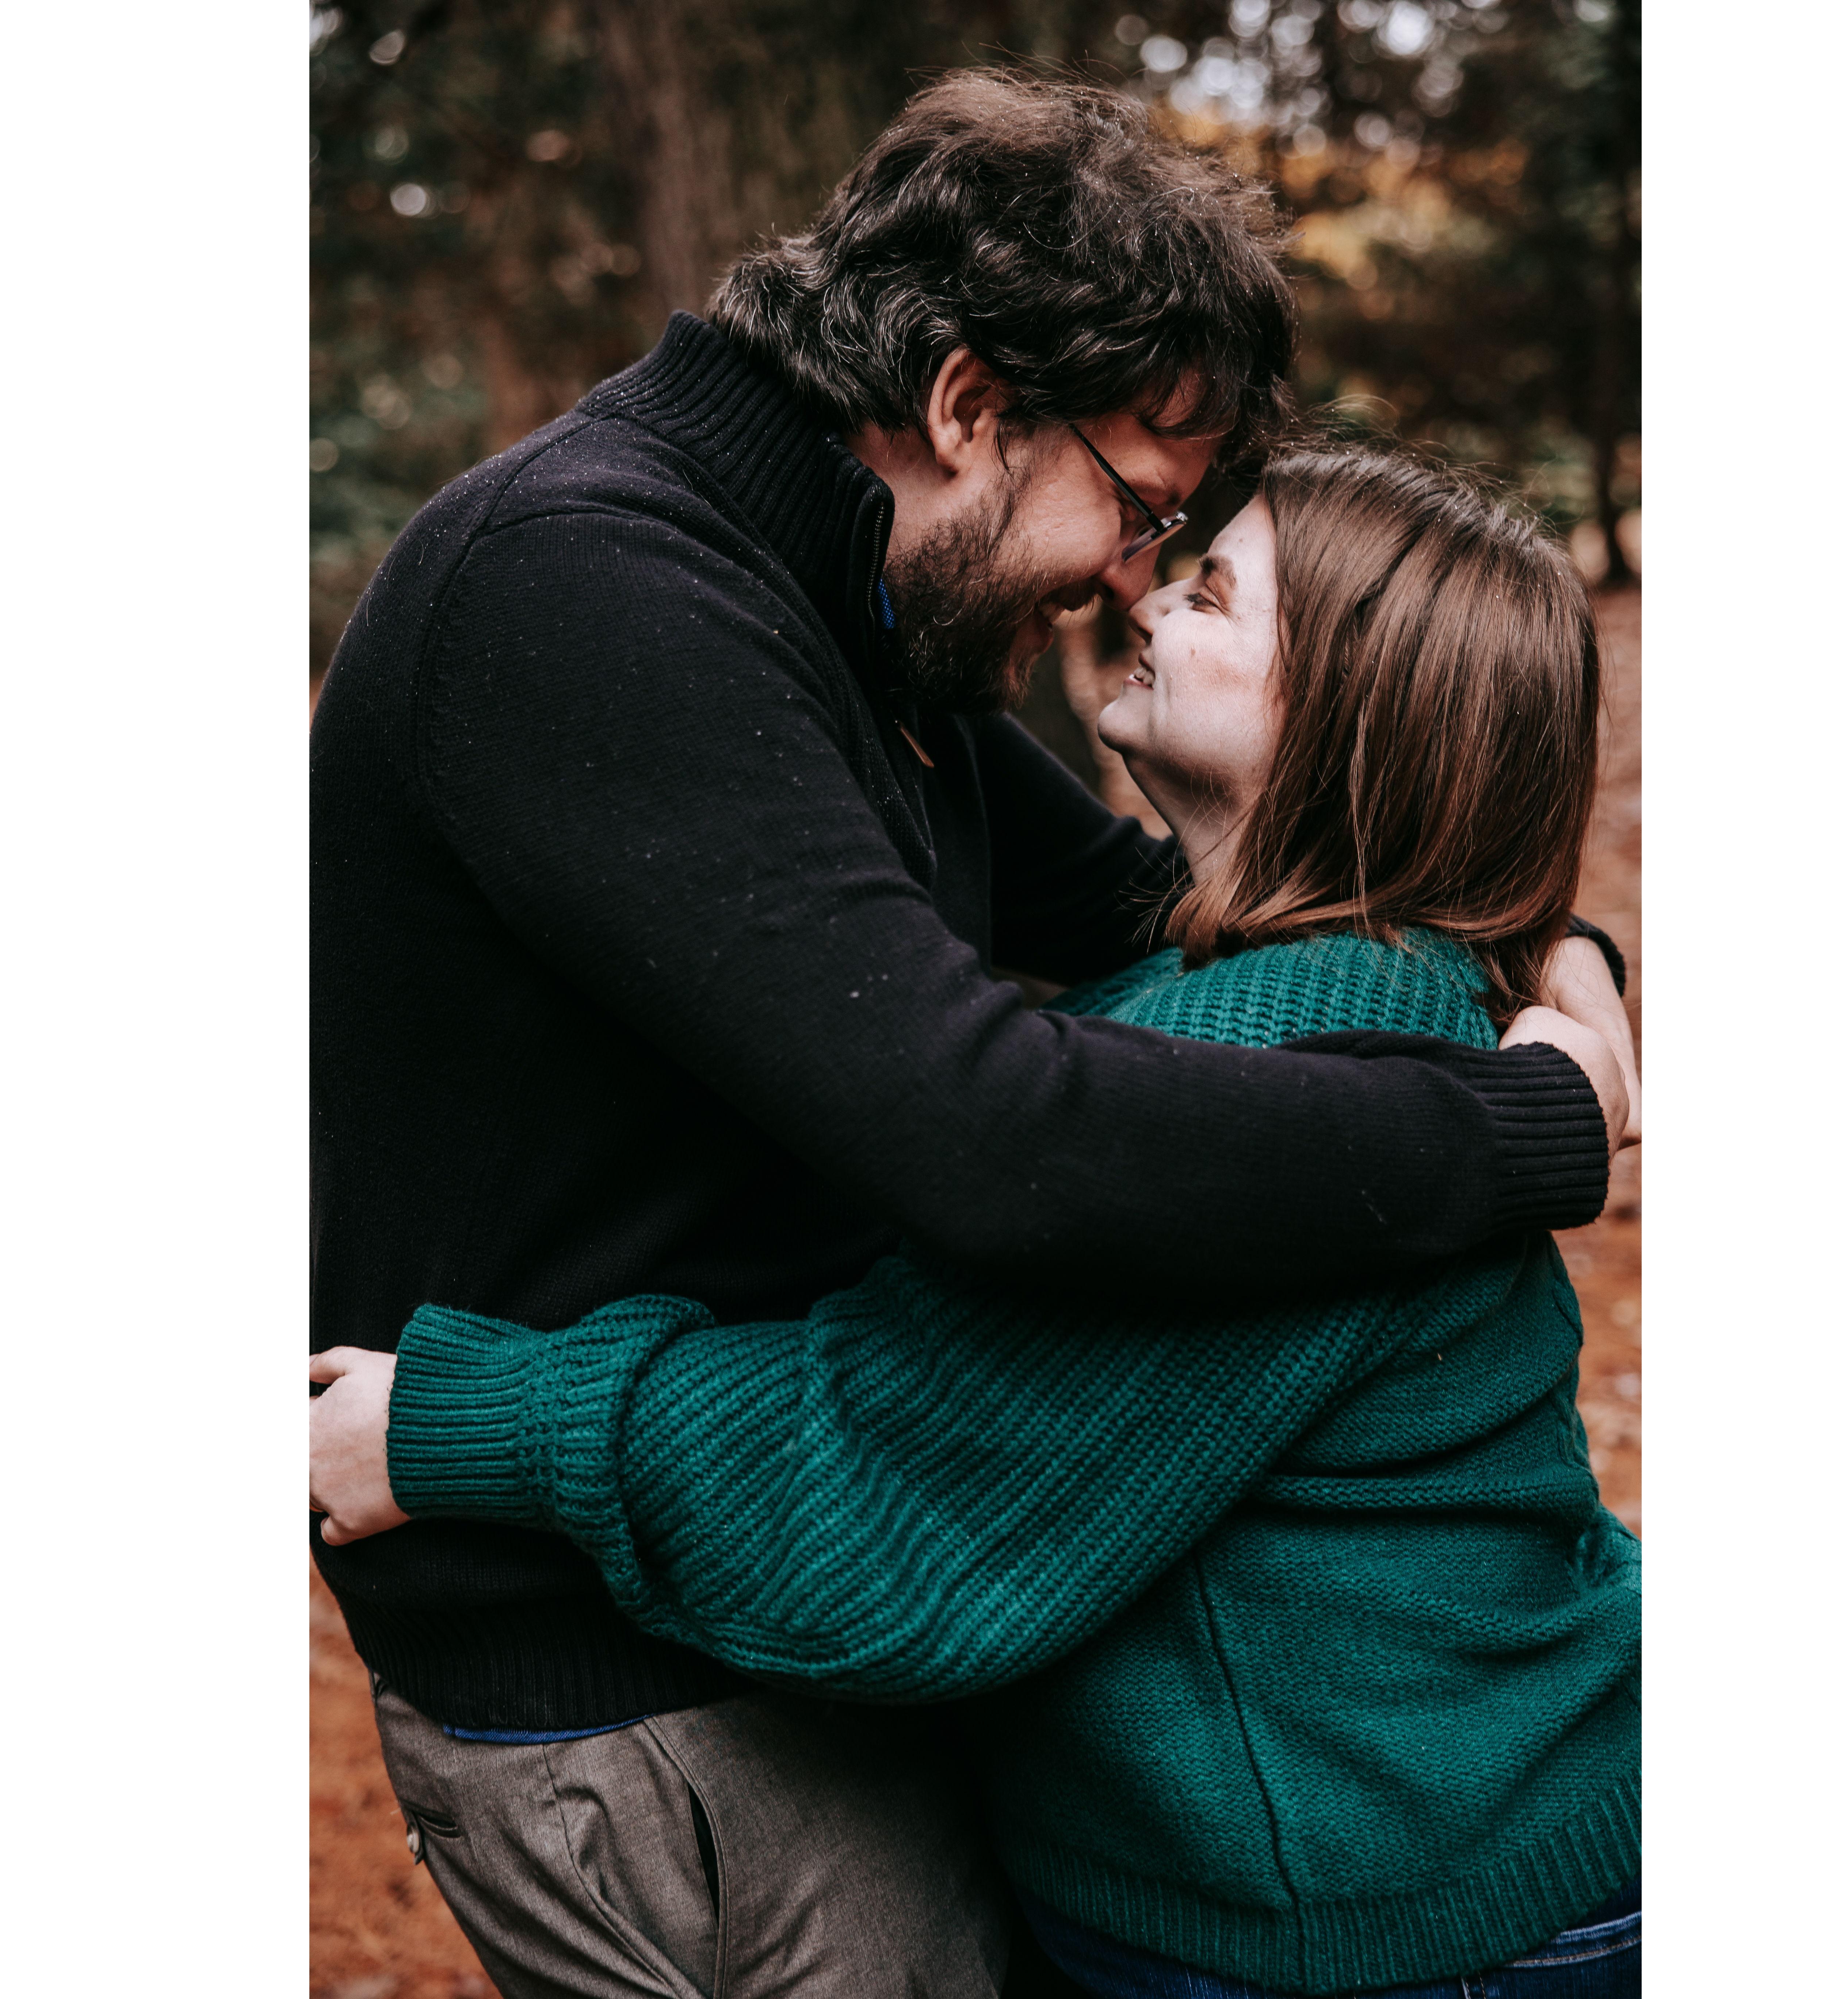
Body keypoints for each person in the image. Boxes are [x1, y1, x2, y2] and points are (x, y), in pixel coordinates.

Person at [311, 72, 1635, 1999]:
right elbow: (1007, 1143)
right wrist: (1527, 1125)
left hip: (818, 1602)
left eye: (1196, 560)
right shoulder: (601, 591)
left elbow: (1147, 917)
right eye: (1148, 515)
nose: (1133, 582)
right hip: (649, 1682)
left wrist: (1537, 951)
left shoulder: (861, 607)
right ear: (965, 407)